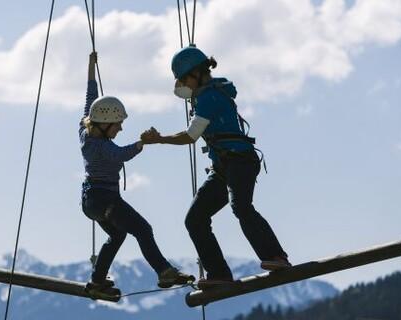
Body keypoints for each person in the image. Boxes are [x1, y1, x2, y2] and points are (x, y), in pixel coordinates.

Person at [143, 46, 291, 289]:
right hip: (224, 166)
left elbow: (191, 135)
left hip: (239, 162)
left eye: (182, 79)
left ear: (195, 74)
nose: (181, 85)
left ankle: (275, 256)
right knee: (195, 219)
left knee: (241, 207)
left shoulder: (209, 97)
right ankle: (219, 273)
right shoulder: (208, 94)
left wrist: (160, 139)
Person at [80, 52, 194, 295]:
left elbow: (90, 96)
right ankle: (164, 273)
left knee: (118, 235)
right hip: (105, 199)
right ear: (104, 123)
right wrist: (143, 143)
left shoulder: (86, 131)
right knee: (143, 229)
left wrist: (91, 67)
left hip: (92, 201)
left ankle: (98, 280)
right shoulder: (102, 148)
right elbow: (122, 155)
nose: (121, 127)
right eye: (118, 124)